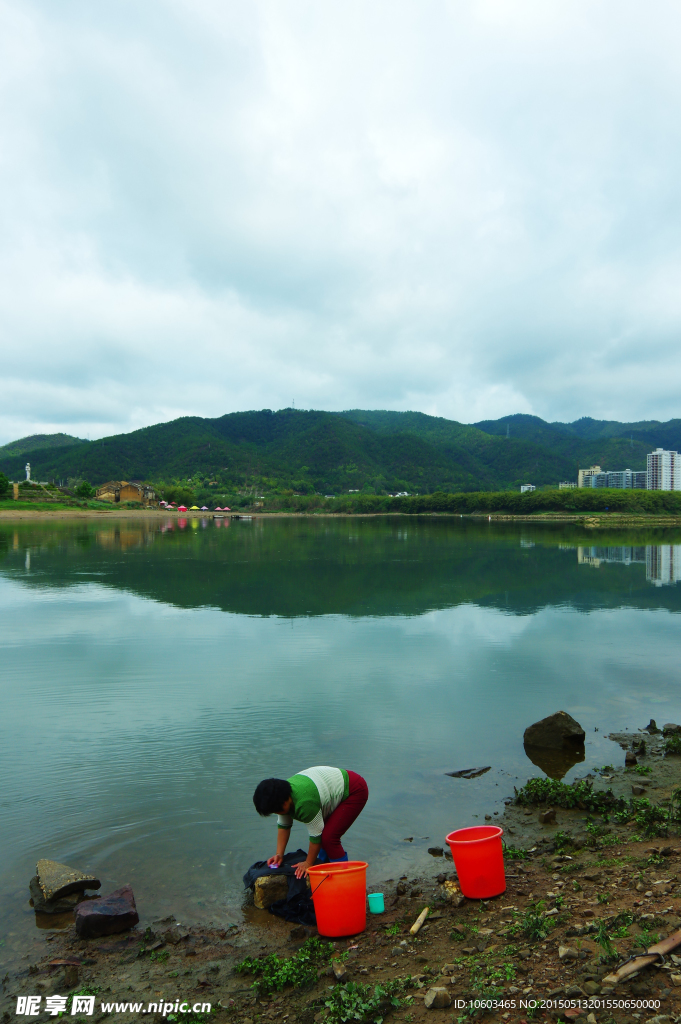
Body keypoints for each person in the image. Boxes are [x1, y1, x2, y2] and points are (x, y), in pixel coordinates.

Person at [253, 766, 368, 879]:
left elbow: (316, 836)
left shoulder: (304, 803)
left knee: (329, 839)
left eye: (278, 810)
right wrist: (279, 854)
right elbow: (284, 826)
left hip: (353, 790)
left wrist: (308, 863)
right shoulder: (281, 795)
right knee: (325, 837)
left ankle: (344, 878)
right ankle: (325, 873)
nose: (278, 813)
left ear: (285, 801)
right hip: (328, 792)